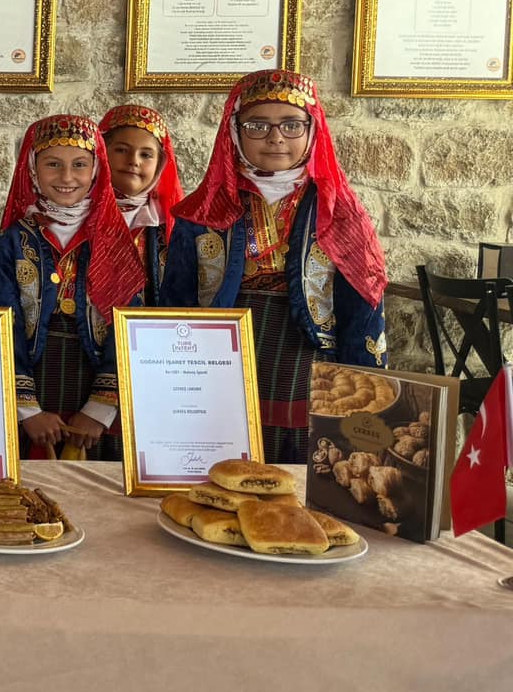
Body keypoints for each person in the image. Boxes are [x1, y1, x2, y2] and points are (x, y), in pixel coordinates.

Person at [162, 70, 388, 464]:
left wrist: (364, 391)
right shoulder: (203, 211)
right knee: (220, 459)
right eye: (257, 125)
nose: (275, 137)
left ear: (313, 131)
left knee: (303, 463)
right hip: (218, 359)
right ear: (234, 131)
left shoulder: (340, 213)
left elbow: (362, 308)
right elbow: (174, 302)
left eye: (291, 124)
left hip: (306, 357)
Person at [0, 115, 148, 462]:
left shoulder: (117, 241)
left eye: (79, 165)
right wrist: (26, 410)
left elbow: (129, 327)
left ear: (96, 170)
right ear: (32, 168)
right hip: (33, 381)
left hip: (96, 385)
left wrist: (101, 408)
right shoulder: (10, 242)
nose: (66, 177)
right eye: (53, 164)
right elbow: (0, 326)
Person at [99, 104, 185, 306]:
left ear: (161, 163)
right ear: (102, 153)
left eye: (146, 155)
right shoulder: (76, 216)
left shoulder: (168, 224)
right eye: (121, 150)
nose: (133, 161)